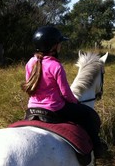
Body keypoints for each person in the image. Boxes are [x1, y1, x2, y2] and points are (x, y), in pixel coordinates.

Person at [21, 26, 106, 158]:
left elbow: (30, 86)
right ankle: (97, 147)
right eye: (59, 43)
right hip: (55, 109)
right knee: (89, 115)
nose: (61, 46)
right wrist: (76, 102)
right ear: (54, 46)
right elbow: (66, 93)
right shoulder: (56, 66)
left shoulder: (30, 62)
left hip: (32, 108)